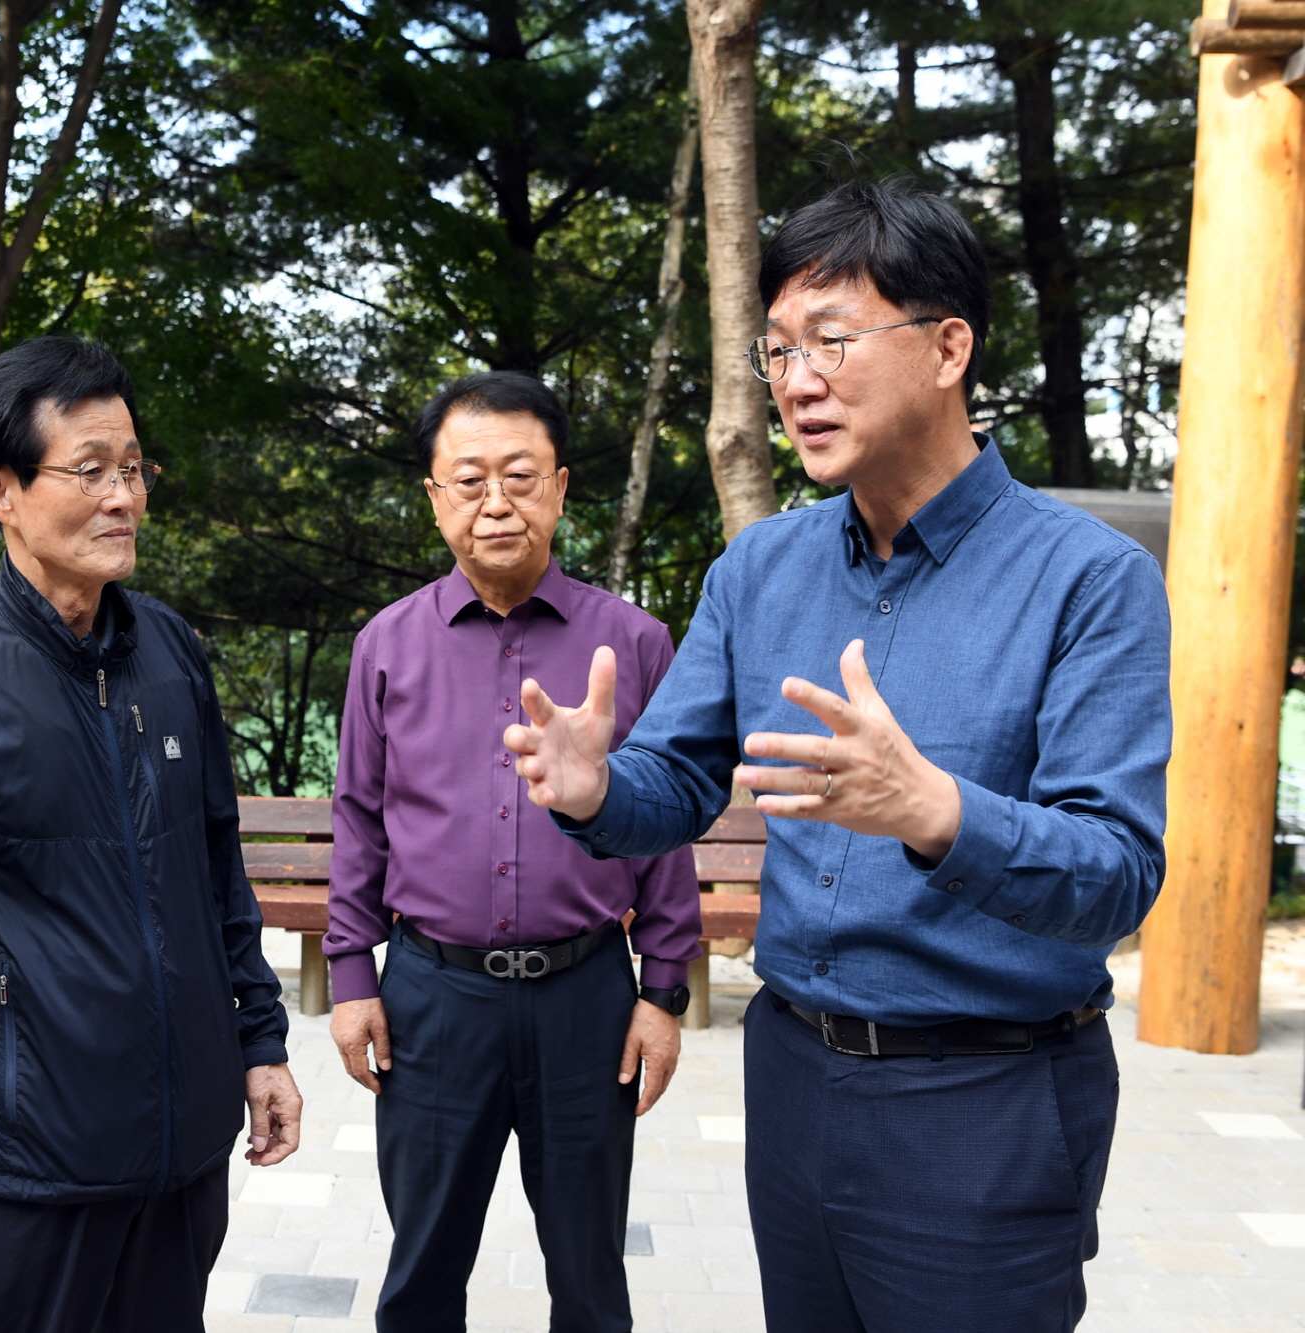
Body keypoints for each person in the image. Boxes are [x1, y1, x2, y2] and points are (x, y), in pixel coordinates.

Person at [503, 177, 1167, 1333]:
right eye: (774, 351)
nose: (796, 381)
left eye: (830, 339)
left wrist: (935, 813)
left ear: (947, 345)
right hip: (795, 1073)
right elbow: (673, 781)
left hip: (986, 1099)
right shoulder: (759, 569)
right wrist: (596, 787)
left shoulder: (1089, 580)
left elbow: (1115, 872)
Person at [0, 336, 303, 1333]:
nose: (123, 495)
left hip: (179, 1164)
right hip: (22, 1176)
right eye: (90, 470)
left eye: (133, 467)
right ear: (1, 490)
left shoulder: (169, 652)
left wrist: (257, 1039)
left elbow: (216, 864)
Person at [325, 371, 703, 1333]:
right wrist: (350, 975)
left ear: (563, 487)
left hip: (586, 999)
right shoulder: (387, 645)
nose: (497, 502)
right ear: (435, 497)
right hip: (431, 1000)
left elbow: (663, 826)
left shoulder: (634, 642)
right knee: (421, 1271)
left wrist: (663, 992)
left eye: (522, 476)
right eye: (470, 479)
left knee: (588, 1274)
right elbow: (360, 817)